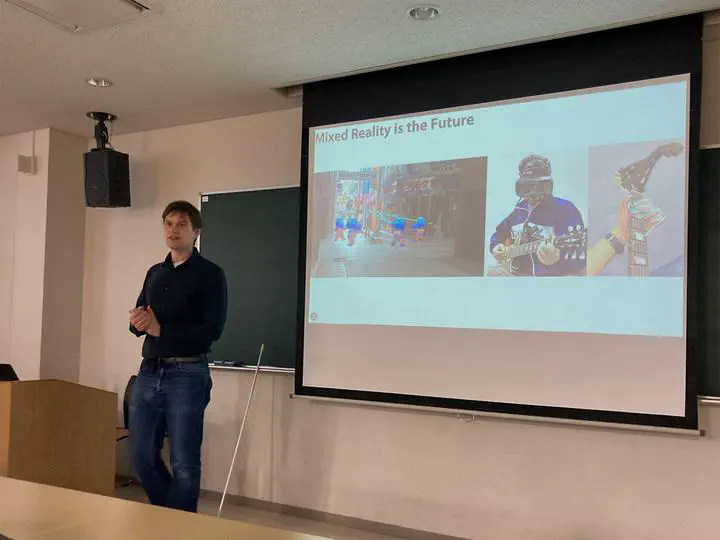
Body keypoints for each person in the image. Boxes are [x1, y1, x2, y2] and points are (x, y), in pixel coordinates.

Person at [128, 200, 227, 513]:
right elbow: (142, 315)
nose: (173, 230)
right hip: (149, 371)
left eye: (181, 224)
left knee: (184, 463)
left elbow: (212, 330)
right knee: (141, 458)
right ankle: (171, 517)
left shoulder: (210, 274)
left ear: (195, 232)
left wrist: (161, 330)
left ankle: (178, 527)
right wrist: (138, 322)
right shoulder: (154, 273)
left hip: (188, 374)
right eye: (168, 224)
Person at [489, 155, 585, 276]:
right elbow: (499, 234)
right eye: (527, 192)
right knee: (492, 273)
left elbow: (580, 260)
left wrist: (557, 259)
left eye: (537, 193)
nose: (531, 199)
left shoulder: (565, 209)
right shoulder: (519, 210)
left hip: (549, 280)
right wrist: (496, 246)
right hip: (515, 275)